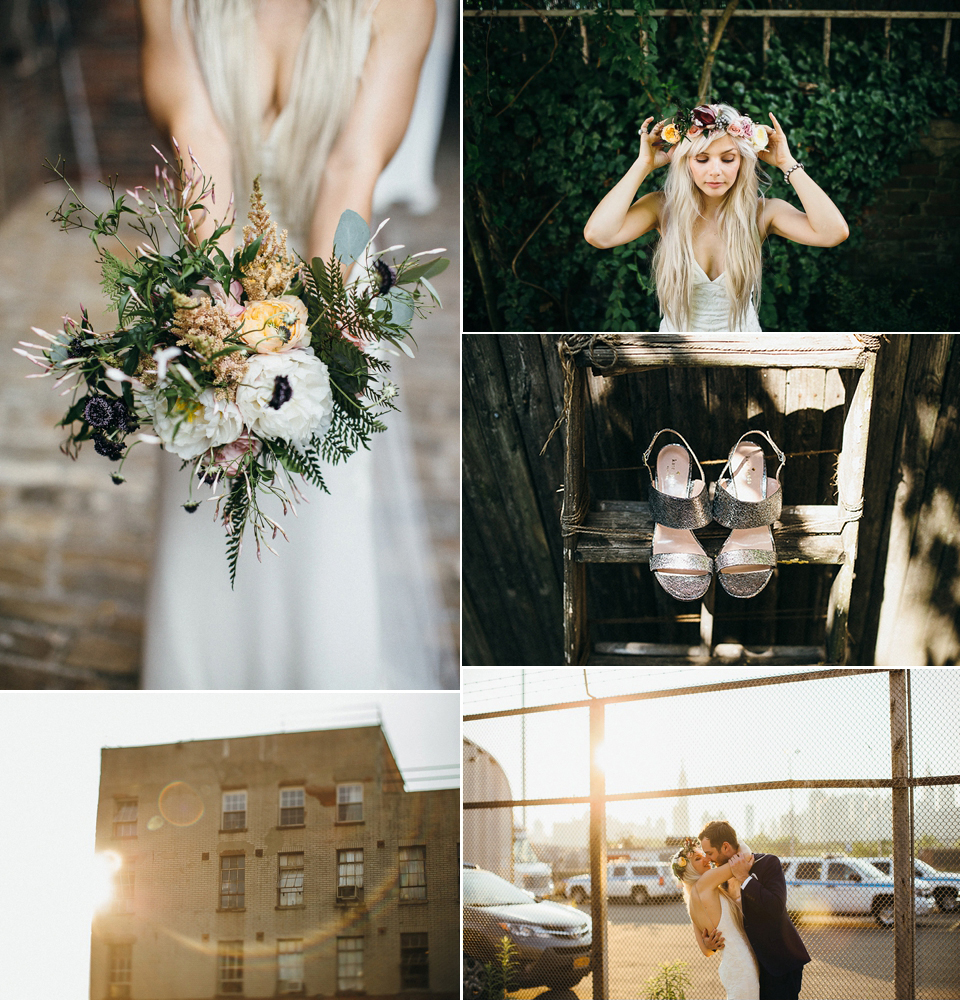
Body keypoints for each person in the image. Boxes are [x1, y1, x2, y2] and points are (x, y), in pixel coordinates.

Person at [136, 0, 454, 688]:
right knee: (209, 495)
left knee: (321, 518)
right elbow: (201, 143)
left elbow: (351, 166)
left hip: (330, 270)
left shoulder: (401, 8)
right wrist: (222, 328)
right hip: (208, 259)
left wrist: (309, 340)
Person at [583, 103, 849, 332]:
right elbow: (598, 235)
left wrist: (785, 161)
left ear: (742, 161)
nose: (715, 171)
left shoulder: (763, 212)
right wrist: (643, 164)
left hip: (744, 350)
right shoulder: (663, 208)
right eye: (702, 159)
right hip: (675, 351)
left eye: (728, 158)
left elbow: (833, 233)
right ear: (686, 162)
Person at [699, 820, 811, 1000]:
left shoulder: (768, 863)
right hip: (749, 967)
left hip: (779, 964)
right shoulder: (719, 881)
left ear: (726, 847)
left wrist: (744, 878)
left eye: (710, 853)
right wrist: (709, 945)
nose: (708, 859)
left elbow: (775, 907)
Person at [672, 836, 760, 1000]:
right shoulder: (705, 882)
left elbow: (707, 951)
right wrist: (731, 842)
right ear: (689, 869)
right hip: (741, 965)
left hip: (733, 965)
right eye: (698, 859)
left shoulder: (691, 903)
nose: (706, 859)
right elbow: (745, 856)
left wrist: (709, 944)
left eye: (703, 854)